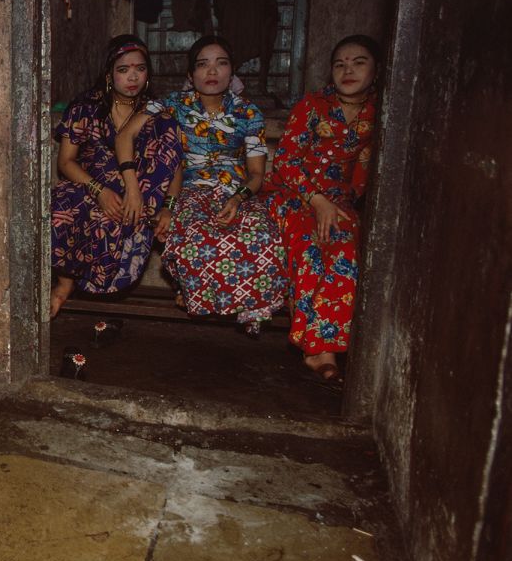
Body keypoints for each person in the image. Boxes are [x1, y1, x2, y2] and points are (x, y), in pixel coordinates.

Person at [261, 34, 380, 382]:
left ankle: (323, 342)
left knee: (344, 247)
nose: (348, 70)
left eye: (359, 62)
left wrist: (344, 204)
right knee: (310, 244)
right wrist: (318, 201)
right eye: (340, 63)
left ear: (376, 69)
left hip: (337, 200)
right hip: (293, 194)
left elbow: (364, 169)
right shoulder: (313, 105)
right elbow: (284, 161)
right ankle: (318, 350)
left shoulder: (377, 113)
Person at [157, 35, 286, 334]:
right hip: (189, 188)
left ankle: (246, 305)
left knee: (262, 235)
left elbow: (256, 174)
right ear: (191, 75)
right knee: (195, 235)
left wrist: (238, 199)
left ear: (232, 72)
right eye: (203, 65)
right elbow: (134, 119)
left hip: (236, 191)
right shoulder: (174, 105)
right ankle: (196, 291)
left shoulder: (247, 112)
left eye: (221, 63)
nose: (212, 72)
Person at [49, 34, 181, 317]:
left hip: (139, 198)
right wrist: (99, 190)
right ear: (109, 73)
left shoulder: (157, 112)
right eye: (123, 70)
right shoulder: (86, 107)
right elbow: (66, 162)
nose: (132, 77)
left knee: (117, 219)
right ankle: (64, 284)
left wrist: (167, 207)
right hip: (91, 185)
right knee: (61, 204)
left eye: (140, 68)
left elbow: (174, 164)